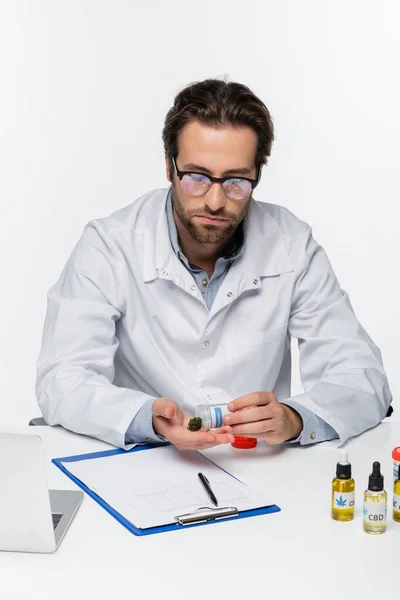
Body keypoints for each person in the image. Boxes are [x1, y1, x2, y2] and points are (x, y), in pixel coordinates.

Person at [35, 78, 392, 451]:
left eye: (236, 180)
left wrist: (296, 418)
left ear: (258, 174)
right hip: (143, 460)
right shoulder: (110, 245)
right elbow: (62, 378)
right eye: (197, 178)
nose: (216, 201)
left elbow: (362, 377)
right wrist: (146, 418)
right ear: (169, 167)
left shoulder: (291, 245)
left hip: (256, 462)